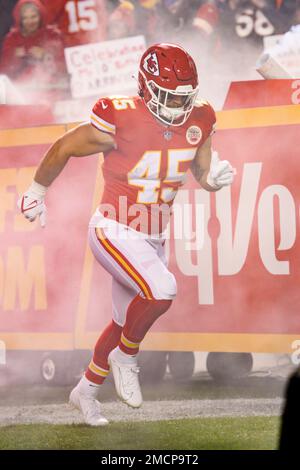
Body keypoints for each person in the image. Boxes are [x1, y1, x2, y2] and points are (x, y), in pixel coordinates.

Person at [17, 43, 234, 426]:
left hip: (153, 236)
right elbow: (64, 146)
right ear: (147, 88)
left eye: (185, 97)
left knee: (122, 321)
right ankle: (126, 357)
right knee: (162, 289)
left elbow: (200, 171)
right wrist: (36, 191)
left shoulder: (200, 117)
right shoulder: (122, 117)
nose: (178, 106)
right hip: (113, 228)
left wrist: (212, 180)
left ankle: (85, 391)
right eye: (169, 96)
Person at [0, 0, 66, 100]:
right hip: (20, 92)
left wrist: (45, 56)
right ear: (19, 19)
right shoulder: (12, 38)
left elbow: (63, 68)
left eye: (33, 17)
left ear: (41, 16)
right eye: (25, 18)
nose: (30, 22)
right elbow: (4, 73)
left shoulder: (52, 35)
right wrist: (14, 57)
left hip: (52, 90)